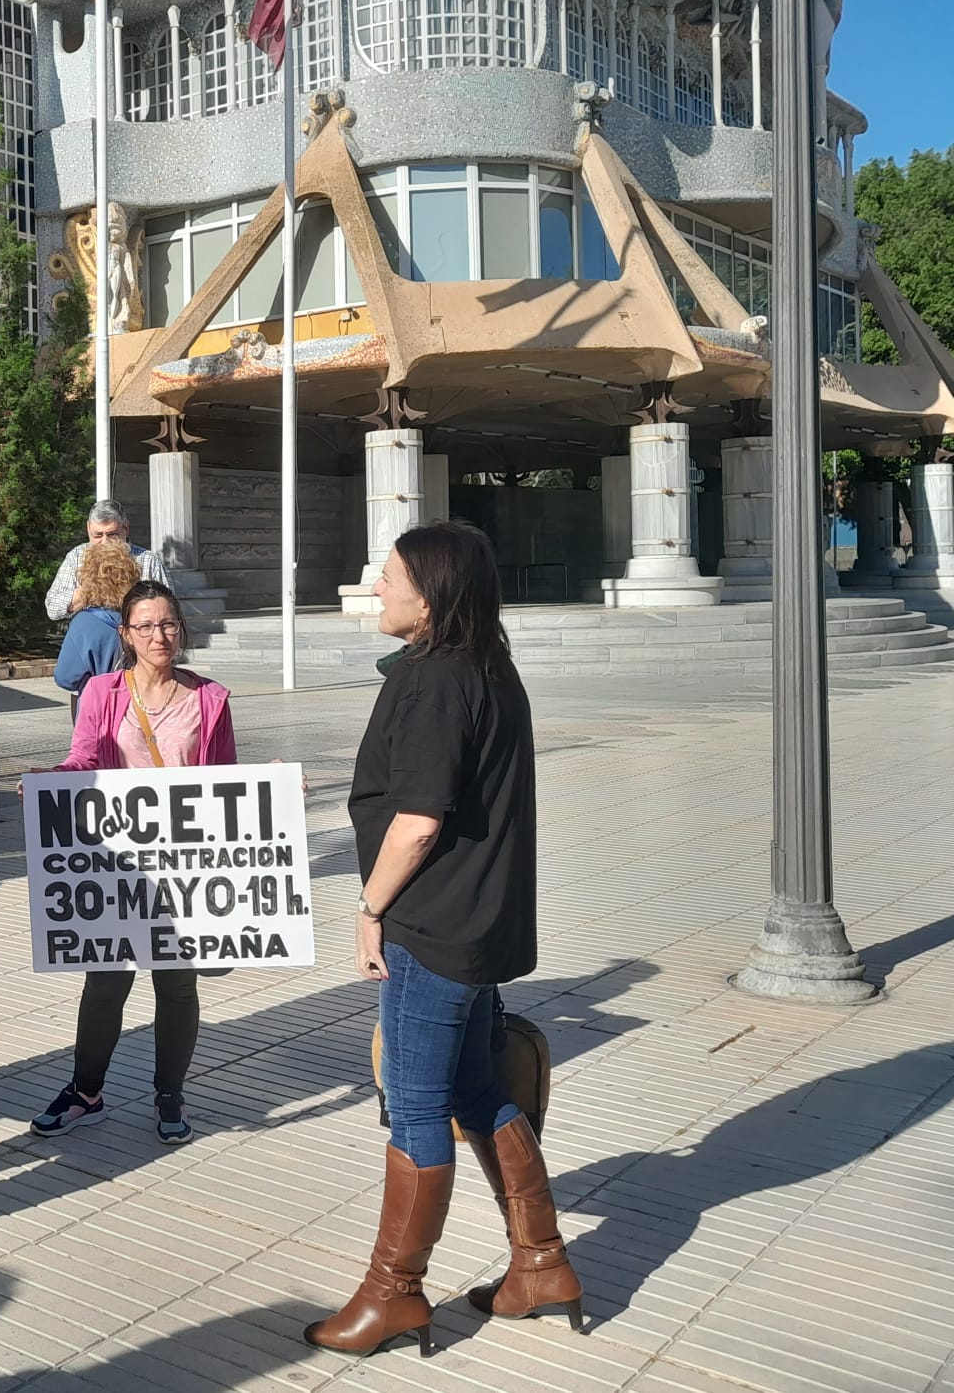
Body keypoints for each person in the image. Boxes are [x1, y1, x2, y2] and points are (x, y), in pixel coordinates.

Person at [305, 519, 579, 1358]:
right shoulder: (491, 670)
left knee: (417, 1110)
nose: (376, 590)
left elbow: (418, 823)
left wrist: (368, 907)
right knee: (475, 1092)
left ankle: (394, 1293)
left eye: (390, 578)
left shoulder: (434, 682)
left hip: (432, 925)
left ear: (431, 599)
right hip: (479, 924)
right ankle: (539, 1261)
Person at [28, 580, 234, 1148]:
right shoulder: (103, 691)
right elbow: (85, 756)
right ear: (126, 634)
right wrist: (55, 780)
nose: (158, 635)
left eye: (167, 623)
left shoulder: (210, 697)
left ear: (181, 629)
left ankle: (170, 1093)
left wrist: (274, 792)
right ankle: (85, 1090)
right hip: (118, 860)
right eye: (144, 625)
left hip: (184, 864)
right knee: (105, 981)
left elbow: (225, 778)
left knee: (177, 986)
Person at [43, 501, 171, 622]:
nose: (105, 542)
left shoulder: (148, 560)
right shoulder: (77, 557)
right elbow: (53, 608)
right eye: (98, 535)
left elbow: (169, 607)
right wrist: (91, 590)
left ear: (125, 528)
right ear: (88, 528)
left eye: (112, 534)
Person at [52, 539, 139, 717]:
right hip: (137, 712)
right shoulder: (140, 618)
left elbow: (65, 678)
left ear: (88, 578)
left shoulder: (84, 623)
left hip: (98, 715)